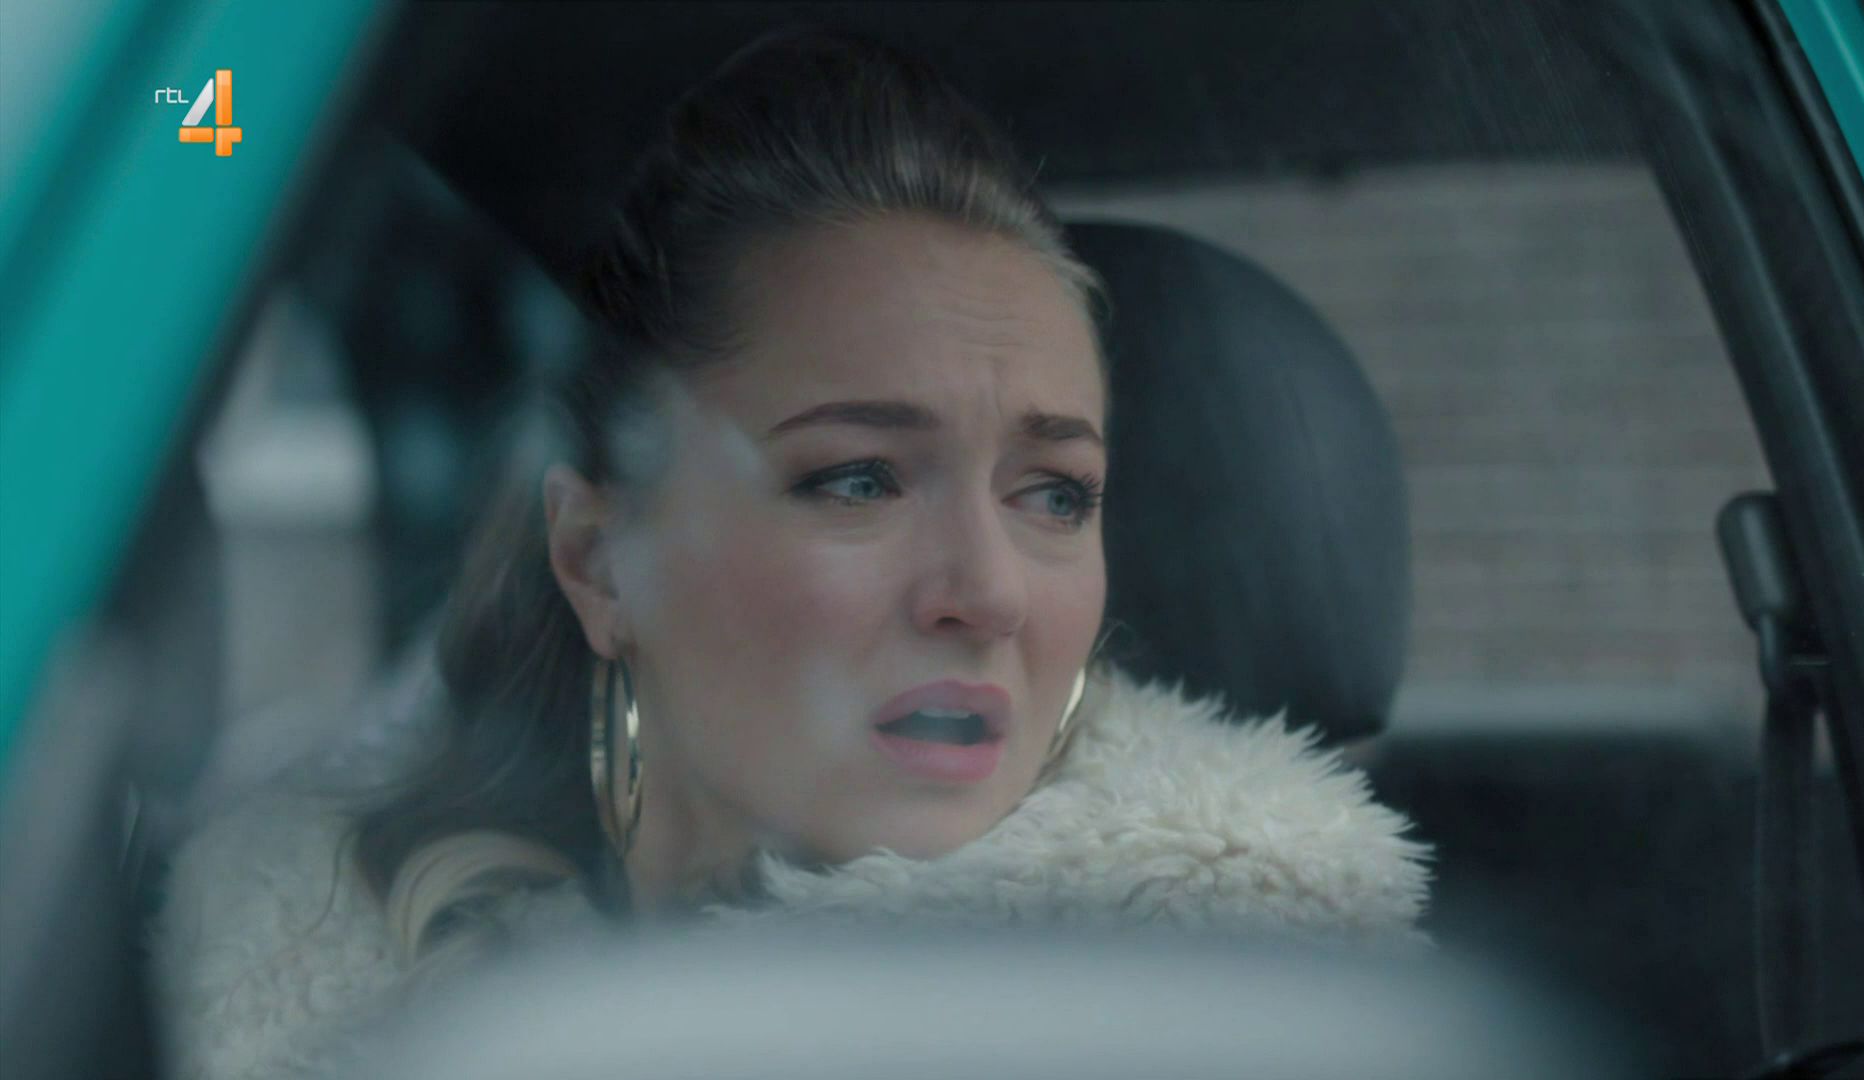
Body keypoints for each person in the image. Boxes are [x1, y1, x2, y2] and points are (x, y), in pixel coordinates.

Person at [153, 28, 1431, 1080]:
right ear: (598, 560)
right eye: (860, 480)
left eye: (1055, 495)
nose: (986, 593)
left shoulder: (1255, 1016)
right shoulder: (286, 985)